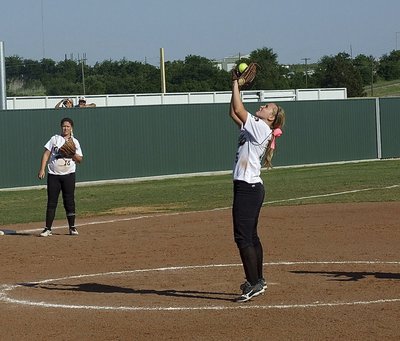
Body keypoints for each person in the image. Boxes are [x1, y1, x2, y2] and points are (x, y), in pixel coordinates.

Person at [229, 76, 285, 302]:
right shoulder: (255, 127)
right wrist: (233, 87)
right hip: (250, 188)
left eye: (267, 107)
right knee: (250, 235)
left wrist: (236, 85)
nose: (262, 106)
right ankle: (258, 280)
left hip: (248, 189)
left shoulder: (261, 127)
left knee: (242, 237)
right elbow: (234, 112)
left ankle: (253, 284)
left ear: (271, 118)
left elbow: (239, 108)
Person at [37, 117, 83, 237]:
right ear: (61, 127)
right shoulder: (54, 139)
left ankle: (72, 227)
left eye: (68, 126)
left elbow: (80, 160)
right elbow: (46, 153)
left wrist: (72, 153)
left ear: (71, 128)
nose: (65, 128)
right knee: (52, 202)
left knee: (69, 201)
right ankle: (48, 229)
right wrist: (42, 169)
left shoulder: (75, 142)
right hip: (53, 175)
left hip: (68, 175)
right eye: (64, 126)